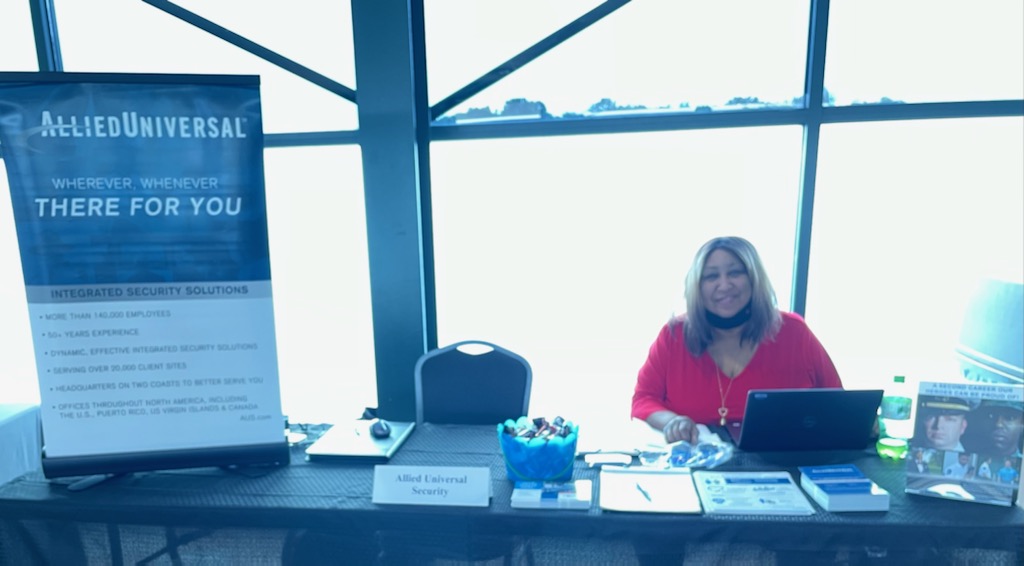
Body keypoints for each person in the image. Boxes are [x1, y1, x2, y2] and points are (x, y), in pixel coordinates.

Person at [631, 236, 843, 444]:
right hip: (696, 460)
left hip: (783, 460)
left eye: (735, 273)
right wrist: (672, 422)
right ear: (697, 286)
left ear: (754, 278)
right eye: (711, 276)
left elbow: (839, 404)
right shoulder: (674, 335)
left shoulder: (794, 332)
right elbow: (643, 399)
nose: (724, 285)